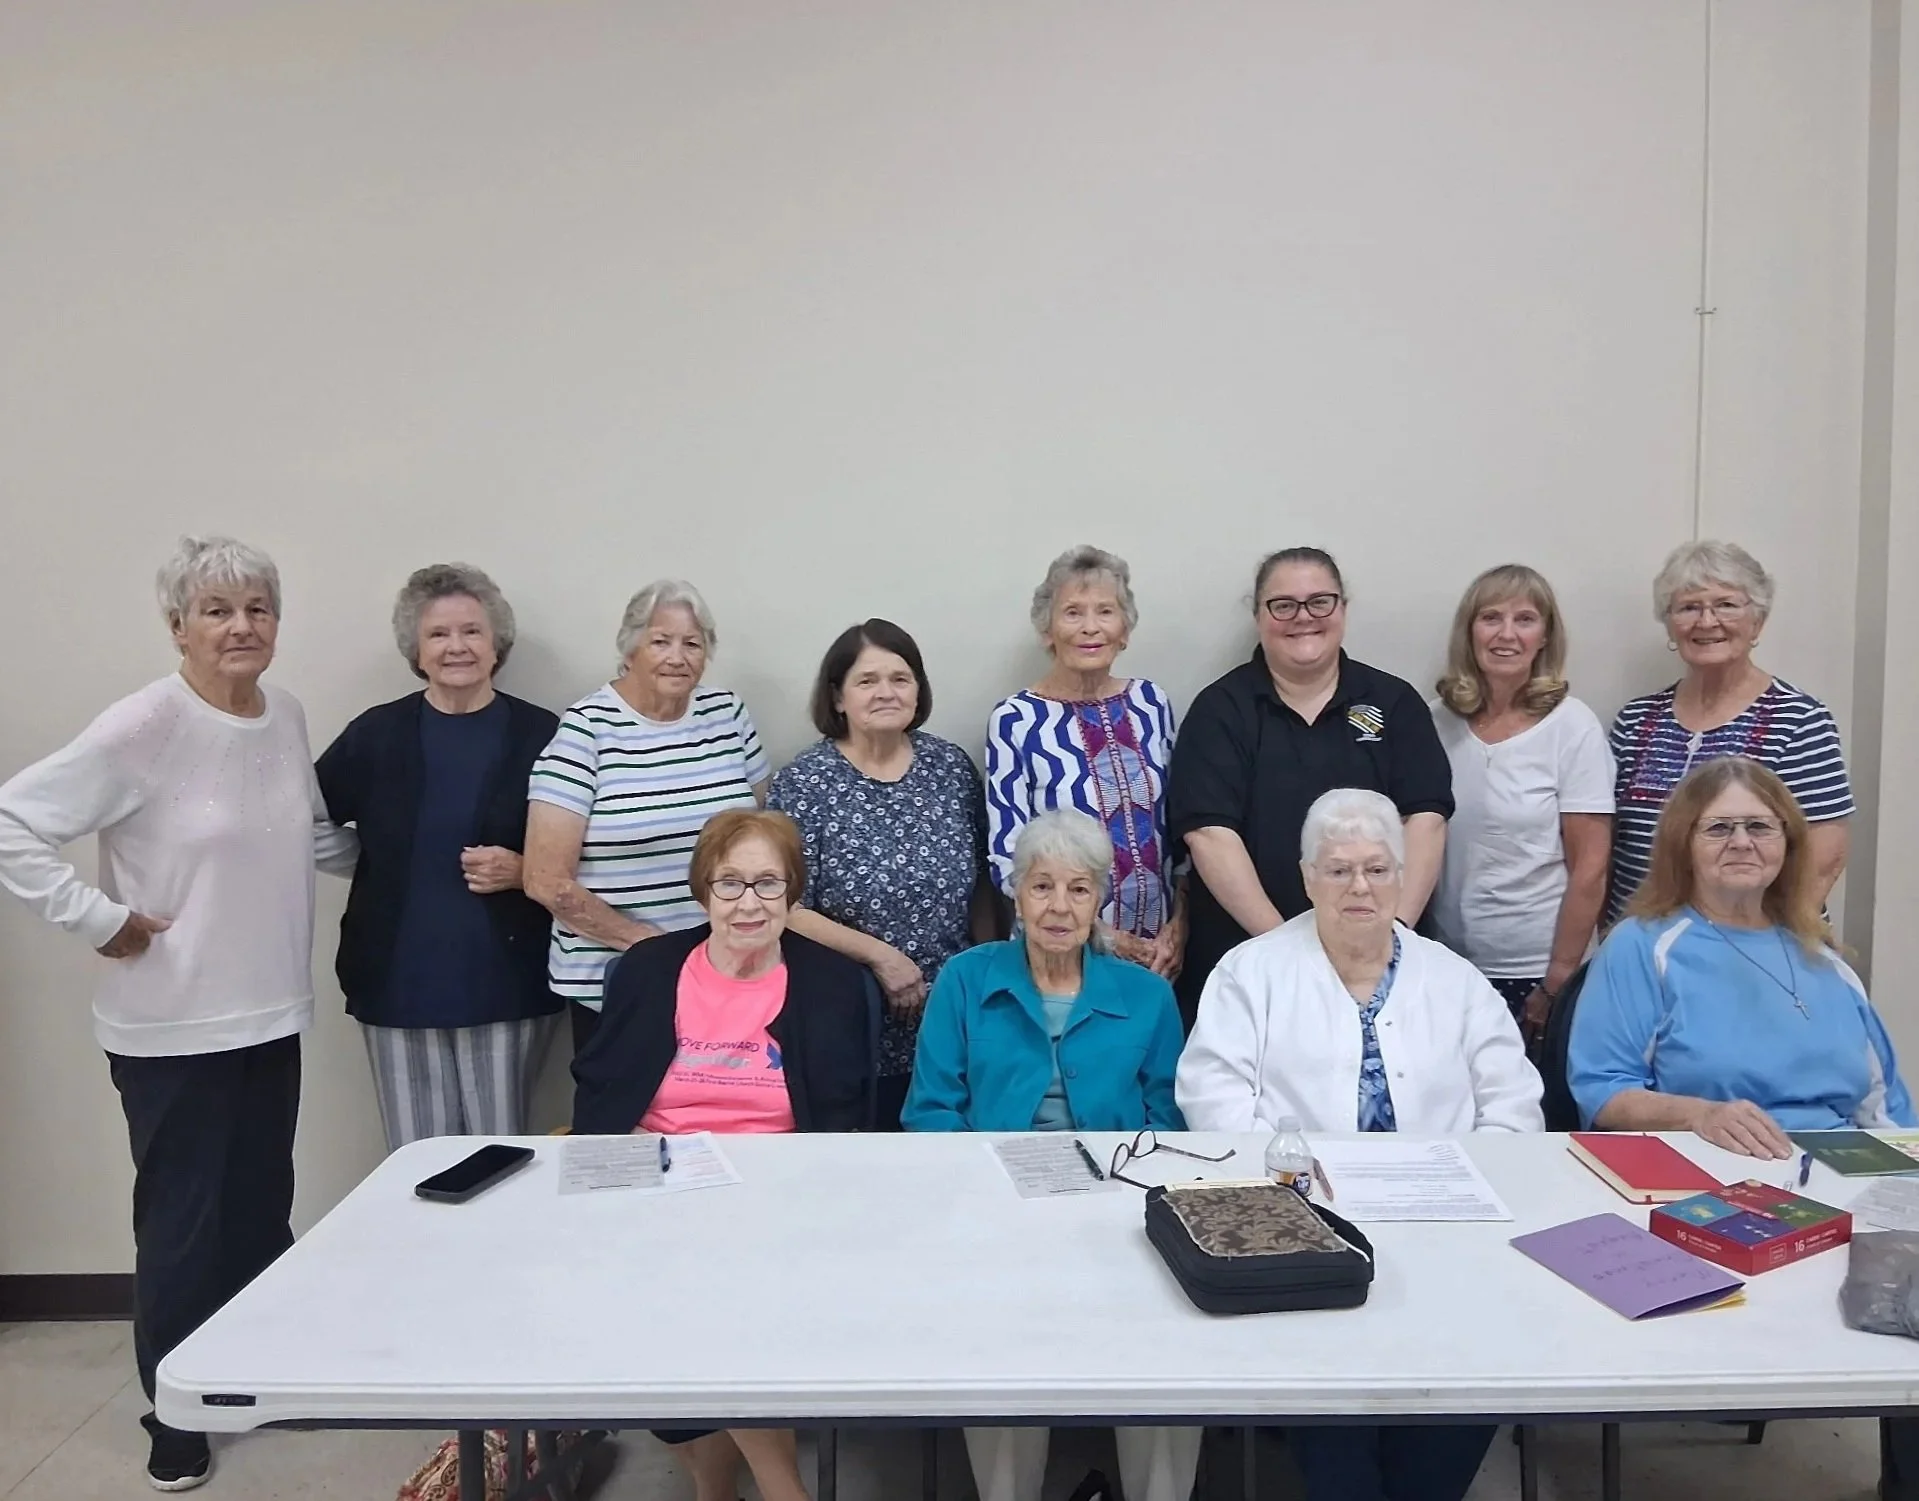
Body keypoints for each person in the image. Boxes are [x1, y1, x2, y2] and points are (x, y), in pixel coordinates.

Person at [0, 536, 356, 1493]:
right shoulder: (144, 724)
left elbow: (310, 835)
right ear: (178, 626)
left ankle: (247, 1372)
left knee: (255, 1209)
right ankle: (174, 1406)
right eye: (216, 609)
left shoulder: (282, 714)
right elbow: (10, 818)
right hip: (171, 1023)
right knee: (182, 1222)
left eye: (258, 609)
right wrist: (97, 916)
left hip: (268, 1008)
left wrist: (402, 851)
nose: (241, 626)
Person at [1176, 788, 1540, 1501]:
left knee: (1469, 1374)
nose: (1358, 887)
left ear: (1403, 877)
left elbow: (1513, 1101)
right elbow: (1212, 1097)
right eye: (1337, 870)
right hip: (1301, 1227)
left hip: (1447, 1224)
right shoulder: (1249, 972)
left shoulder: (1454, 979)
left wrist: (1467, 1179)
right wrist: (1289, 1175)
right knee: (1331, 1392)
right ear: (1306, 876)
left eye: (1376, 869)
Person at [572, 809, 869, 1501]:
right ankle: (767, 1482)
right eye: (729, 883)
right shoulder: (650, 969)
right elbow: (599, 1086)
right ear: (702, 890)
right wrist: (624, 1156)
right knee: (664, 1289)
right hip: (655, 1183)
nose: (748, 903)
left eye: (768, 883)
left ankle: (746, 1486)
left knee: (709, 1299)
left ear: (793, 893)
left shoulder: (828, 983)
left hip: (779, 1188)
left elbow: (845, 1122)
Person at [904, 808, 1196, 1501]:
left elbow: (1171, 1120)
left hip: (1122, 1206)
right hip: (991, 1205)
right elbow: (929, 1113)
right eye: (1041, 887)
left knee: (1168, 1343)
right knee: (997, 1345)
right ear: (1015, 892)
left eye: (1076, 888)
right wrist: (988, 1192)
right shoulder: (966, 980)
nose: (1058, 906)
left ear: (1100, 898)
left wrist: (1132, 1196)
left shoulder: (1147, 995)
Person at [316, 564, 561, 1150]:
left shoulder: (545, 735)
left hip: (505, 982)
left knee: (499, 1158)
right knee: (413, 1162)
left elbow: (587, 846)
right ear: (416, 650)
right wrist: (375, 859)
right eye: (439, 635)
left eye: (472, 632)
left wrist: (524, 870)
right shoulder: (375, 735)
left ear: (496, 643)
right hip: (396, 981)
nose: (457, 647)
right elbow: (301, 816)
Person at [1167, 547, 1453, 1027]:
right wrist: (1288, 953)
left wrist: (1392, 938)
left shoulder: (1394, 702)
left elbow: (1425, 819)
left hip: (1382, 971)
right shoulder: (1221, 711)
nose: (1304, 618)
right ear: (1259, 614)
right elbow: (1210, 835)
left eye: (1320, 601)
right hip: (1251, 965)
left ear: (1342, 607)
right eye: (1284, 605)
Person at [1569, 757, 1912, 1155]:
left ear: (1788, 841)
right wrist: (1699, 1115)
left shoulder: (1826, 959)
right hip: (1708, 1166)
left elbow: (1888, 1111)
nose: (1742, 842)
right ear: (1683, 844)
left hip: (1838, 1168)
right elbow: (1602, 1089)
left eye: (1759, 826)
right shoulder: (1642, 946)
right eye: (1718, 828)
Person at [524, 579, 768, 1055]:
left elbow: (765, 832)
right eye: (661, 641)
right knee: (630, 1119)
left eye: (692, 644)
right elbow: (544, 878)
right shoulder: (587, 729)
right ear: (630, 647)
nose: (677, 656)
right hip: (620, 975)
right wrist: (647, 946)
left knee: (720, 1115)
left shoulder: (727, 714)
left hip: (725, 970)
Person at [768, 619, 992, 1129]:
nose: (886, 692)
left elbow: (981, 883)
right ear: (838, 697)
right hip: (848, 1008)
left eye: (900, 678)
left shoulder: (951, 768)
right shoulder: (804, 782)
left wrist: (985, 968)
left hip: (950, 1011)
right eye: (867, 681)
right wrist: (883, 959)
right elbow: (783, 904)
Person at [1606, 539, 1852, 924]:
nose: (1707, 622)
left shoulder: (1800, 718)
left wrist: (1756, 944)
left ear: (1757, 621)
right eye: (1689, 607)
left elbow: (1824, 856)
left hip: (1755, 947)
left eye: (1726, 605)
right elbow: (1609, 845)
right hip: (1642, 945)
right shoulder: (1635, 720)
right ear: (1670, 624)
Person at [1428, 564, 1613, 1041]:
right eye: (1491, 618)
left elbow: (1590, 868)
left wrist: (1556, 981)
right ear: (1469, 632)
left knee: (1537, 1111)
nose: (1506, 634)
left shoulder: (1573, 728)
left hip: (1538, 971)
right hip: (1449, 964)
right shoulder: (1436, 725)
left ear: (1545, 636)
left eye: (1525, 619)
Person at [985, 545, 1184, 978]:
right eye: (1073, 612)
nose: (1090, 628)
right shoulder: (1016, 719)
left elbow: (1182, 831)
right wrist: (1104, 938)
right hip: (1063, 954)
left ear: (1125, 629)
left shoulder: (1151, 703)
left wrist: (1180, 928)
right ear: (1046, 630)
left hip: (1164, 957)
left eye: (1106, 612)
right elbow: (1007, 858)